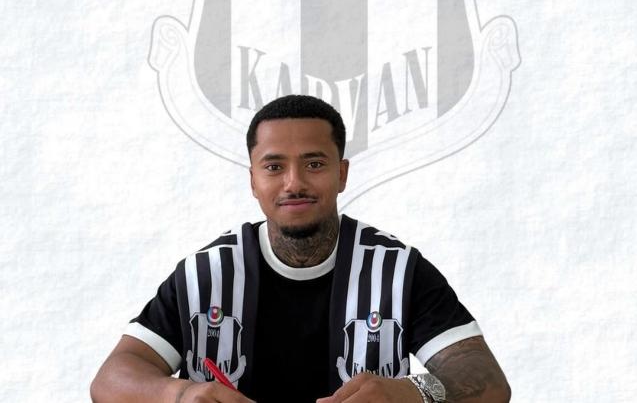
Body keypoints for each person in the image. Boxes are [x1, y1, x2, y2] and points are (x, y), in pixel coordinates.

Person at [91, 95, 510, 403]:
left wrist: (411, 392)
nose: (294, 182)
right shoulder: (207, 273)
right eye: (274, 166)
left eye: (314, 164)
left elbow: (488, 380)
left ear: (342, 174)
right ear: (253, 180)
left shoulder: (397, 270)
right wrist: (180, 394)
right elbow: (111, 379)